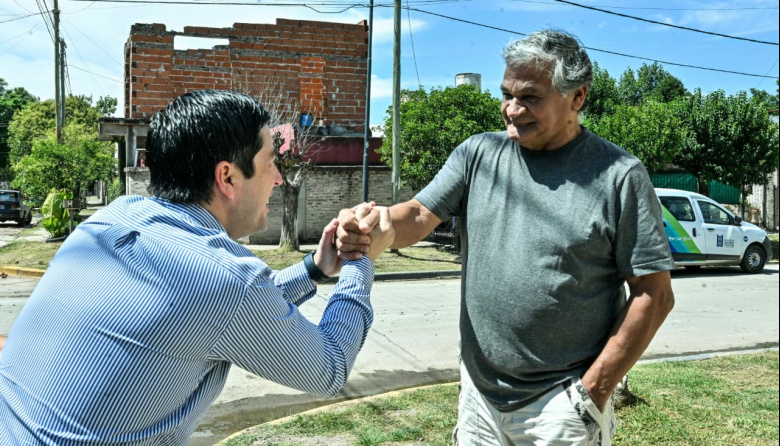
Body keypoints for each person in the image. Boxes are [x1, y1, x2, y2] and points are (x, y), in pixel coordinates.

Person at [337, 30, 675, 445]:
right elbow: (421, 213)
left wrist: (592, 393)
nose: (512, 110)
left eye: (531, 97)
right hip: (480, 397)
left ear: (578, 97)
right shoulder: (477, 155)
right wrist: (381, 225)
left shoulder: (619, 176)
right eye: (507, 94)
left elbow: (654, 294)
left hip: (561, 405)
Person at [0, 89, 394, 445]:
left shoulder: (114, 217)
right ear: (227, 177)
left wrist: (317, 267)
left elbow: (232, 303)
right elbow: (330, 368)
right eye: (271, 162)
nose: (277, 179)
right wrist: (361, 259)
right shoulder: (224, 280)